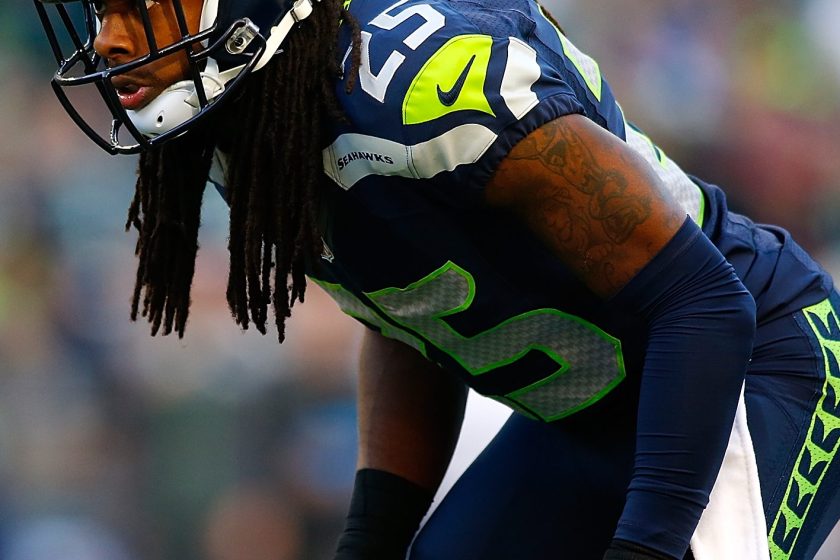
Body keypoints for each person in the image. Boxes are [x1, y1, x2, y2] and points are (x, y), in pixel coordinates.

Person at [32, 0, 840, 558]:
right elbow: (415, 313)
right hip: (591, 412)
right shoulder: (247, 125)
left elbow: (704, 305)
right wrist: (374, 537)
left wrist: (646, 548)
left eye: (136, 6)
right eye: (103, 12)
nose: (108, 41)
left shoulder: (427, 91)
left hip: (750, 361)